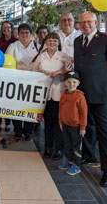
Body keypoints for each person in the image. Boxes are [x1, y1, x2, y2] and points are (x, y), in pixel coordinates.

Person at [74, 11, 107, 187]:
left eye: (89, 21)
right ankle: (88, 156)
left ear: (96, 23)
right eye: (82, 22)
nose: (85, 24)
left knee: (104, 132)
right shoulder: (77, 41)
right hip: (82, 94)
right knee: (86, 127)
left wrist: (102, 77)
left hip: (100, 94)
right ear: (79, 25)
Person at [33, 32, 72, 160]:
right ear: (45, 42)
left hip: (59, 93)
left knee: (58, 123)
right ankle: (48, 147)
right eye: (49, 40)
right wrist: (41, 73)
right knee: (47, 122)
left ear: (59, 43)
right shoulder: (41, 56)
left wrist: (59, 72)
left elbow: (71, 72)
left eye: (55, 40)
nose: (52, 43)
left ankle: (59, 149)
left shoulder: (63, 56)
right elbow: (33, 72)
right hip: (45, 95)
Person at [5, 23, 39, 140]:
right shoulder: (13, 46)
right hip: (17, 82)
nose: (24, 35)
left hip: (34, 83)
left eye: (27, 33)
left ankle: (28, 131)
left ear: (31, 34)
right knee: (17, 108)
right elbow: (8, 63)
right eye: (22, 33)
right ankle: (18, 131)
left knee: (31, 108)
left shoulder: (37, 46)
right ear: (18, 34)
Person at [58, 71, 87, 176]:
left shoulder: (80, 97)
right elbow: (60, 109)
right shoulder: (63, 95)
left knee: (76, 147)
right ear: (65, 83)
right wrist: (60, 121)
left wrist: (82, 127)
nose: (71, 84)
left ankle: (77, 165)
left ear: (78, 83)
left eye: (74, 82)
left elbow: (84, 113)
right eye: (69, 82)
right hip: (65, 125)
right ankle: (70, 162)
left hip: (76, 127)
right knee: (68, 145)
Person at [0, 21, 18, 130]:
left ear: (12, 28)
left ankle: (8, 122)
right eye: (4, 27)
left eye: (8, 27)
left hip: (12, 75)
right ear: (1, 29)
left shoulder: (16, 42)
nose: (6, 29)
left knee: (8, 99)